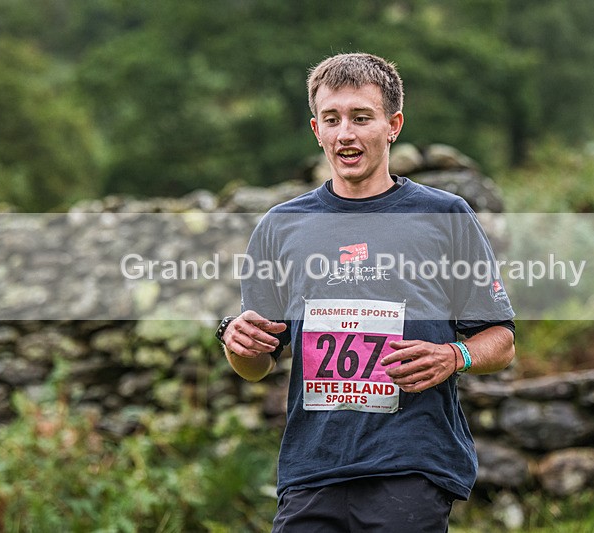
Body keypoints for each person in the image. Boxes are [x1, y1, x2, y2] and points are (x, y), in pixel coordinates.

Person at [216, 52, 516, 532]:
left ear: (393, 124)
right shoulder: (281, 227)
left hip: (411, 468)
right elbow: (256, 365)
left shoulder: (445, 216)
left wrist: (453, 355)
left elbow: (501, 340)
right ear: (316, 129)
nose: (345, 134)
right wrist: (237, 343)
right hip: (310, 471)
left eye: (361, 117)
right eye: (331, 120)